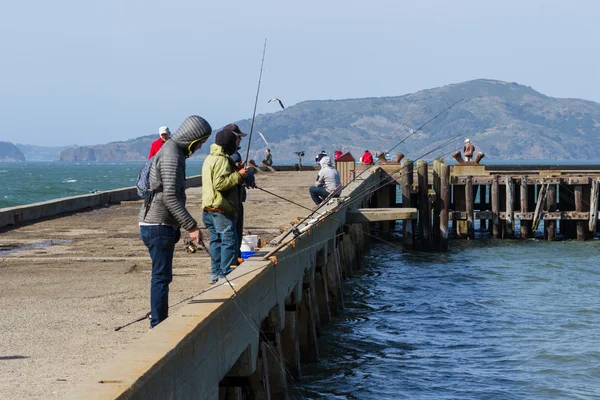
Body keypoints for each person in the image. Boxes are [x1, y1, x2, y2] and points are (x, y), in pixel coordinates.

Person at [139, 115, 212, 328]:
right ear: (192, 137)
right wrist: (191, 226)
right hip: (157, 225)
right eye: (200, 142)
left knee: (161, 276)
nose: (199, 147)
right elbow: (170, 196)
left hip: (157, 223)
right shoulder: (173, 155)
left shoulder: (171, 149)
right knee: (161, 277)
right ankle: (158, 324)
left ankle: (158, 317)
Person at [202, 128, 249, 283]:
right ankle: (226, 275)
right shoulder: (222, 159)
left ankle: (215, 274)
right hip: (221, 208)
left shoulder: (210, 158)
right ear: (229, 144)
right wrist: (239, 175)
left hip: (208, 207)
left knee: (216, 240)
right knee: (229, 240)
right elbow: (220, 183)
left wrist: (234, 169)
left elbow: (217, 177)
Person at [227, 124, 256, 263]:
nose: (241, 140)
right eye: (239, 137)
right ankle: (234, 261)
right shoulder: (235, 155)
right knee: (235, 234)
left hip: (224, 201)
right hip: (235, 201)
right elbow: (245, 178)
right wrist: (249, 174)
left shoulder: (218, 155)